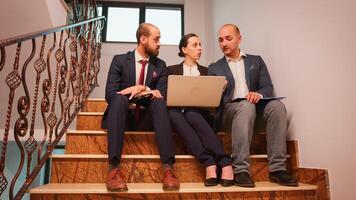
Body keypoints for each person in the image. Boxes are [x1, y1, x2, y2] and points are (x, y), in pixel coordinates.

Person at [208, 24, 298, 187]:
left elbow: (267, 87)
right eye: (220, 40)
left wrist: (259, 94)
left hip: (253, 112)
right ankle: (241, 170)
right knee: (245, 106)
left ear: (239, 38)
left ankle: (278, 169)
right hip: (230, 115)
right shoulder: (214, 68)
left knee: (277, 106)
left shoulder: (256, 60)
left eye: (228, 38)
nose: (224, 43)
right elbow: (211, 102)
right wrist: (220, 89)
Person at [101, 23, 180, 191]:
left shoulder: (160, 65)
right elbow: (110, 94)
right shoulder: (120, 60)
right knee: (119, 99)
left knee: (159, 103)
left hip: (146, 119)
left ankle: (168, 168)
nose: (159, 43)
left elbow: (162, 94)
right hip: (121, 117)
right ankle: (114, 168)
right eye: (156, 39)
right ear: (143, 39)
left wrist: (142, 88)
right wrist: (134, 90)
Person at [167, 33, 234, 187]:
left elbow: (212, 101)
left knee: (191, 112)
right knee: (174, 114)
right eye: (195, 45)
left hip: (200, 115)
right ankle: (213, 162)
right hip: (176, 114)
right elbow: (166, 94)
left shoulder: (207, 71)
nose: (200, 48)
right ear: (184, 49)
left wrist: (220, 87)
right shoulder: (171, 70)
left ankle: (218, 163)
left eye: (200, 44)